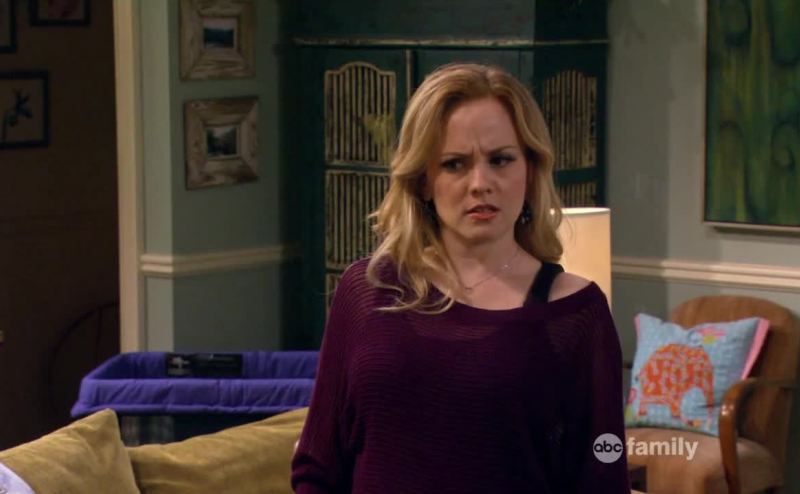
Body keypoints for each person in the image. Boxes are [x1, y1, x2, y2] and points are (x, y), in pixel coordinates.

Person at [291, 62, 630, 493]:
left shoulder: (575, 315)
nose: (480, 183)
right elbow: (317, 465)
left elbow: (604, 473)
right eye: (454, 164)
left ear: (529, 170)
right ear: (423, 181)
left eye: (500, 160)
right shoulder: (368, 291)